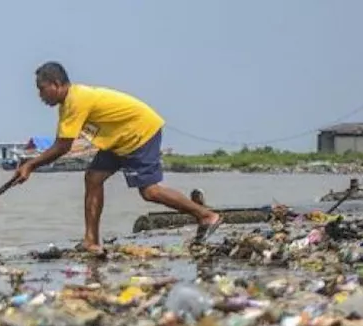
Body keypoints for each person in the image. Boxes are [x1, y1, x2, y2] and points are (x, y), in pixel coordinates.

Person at [15, 62, 221, 253]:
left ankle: (206, 216)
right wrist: (31, 165)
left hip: (138, 134)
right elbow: (63, 142)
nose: (40, 95)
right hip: (117, 140)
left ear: (56, 84)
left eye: (42, 89)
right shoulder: (68, 104)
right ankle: (91, 240)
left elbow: (62, 147)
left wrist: (30, 165)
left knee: (150, 191)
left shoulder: (76, 101)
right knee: (93, 178)